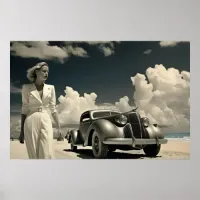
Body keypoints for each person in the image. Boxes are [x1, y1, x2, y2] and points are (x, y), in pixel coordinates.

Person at [19, 62, 63, 159]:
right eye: (44, 71)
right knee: (33, 154)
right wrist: (21, 131)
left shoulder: (51, 88)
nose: (46, 74)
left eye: (47, 72)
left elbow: (53, 108)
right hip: (30, 120)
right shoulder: (26, 88)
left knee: (47, 152)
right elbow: (24, 109)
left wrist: (59, 127)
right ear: (37, 72)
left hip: (46, 119)